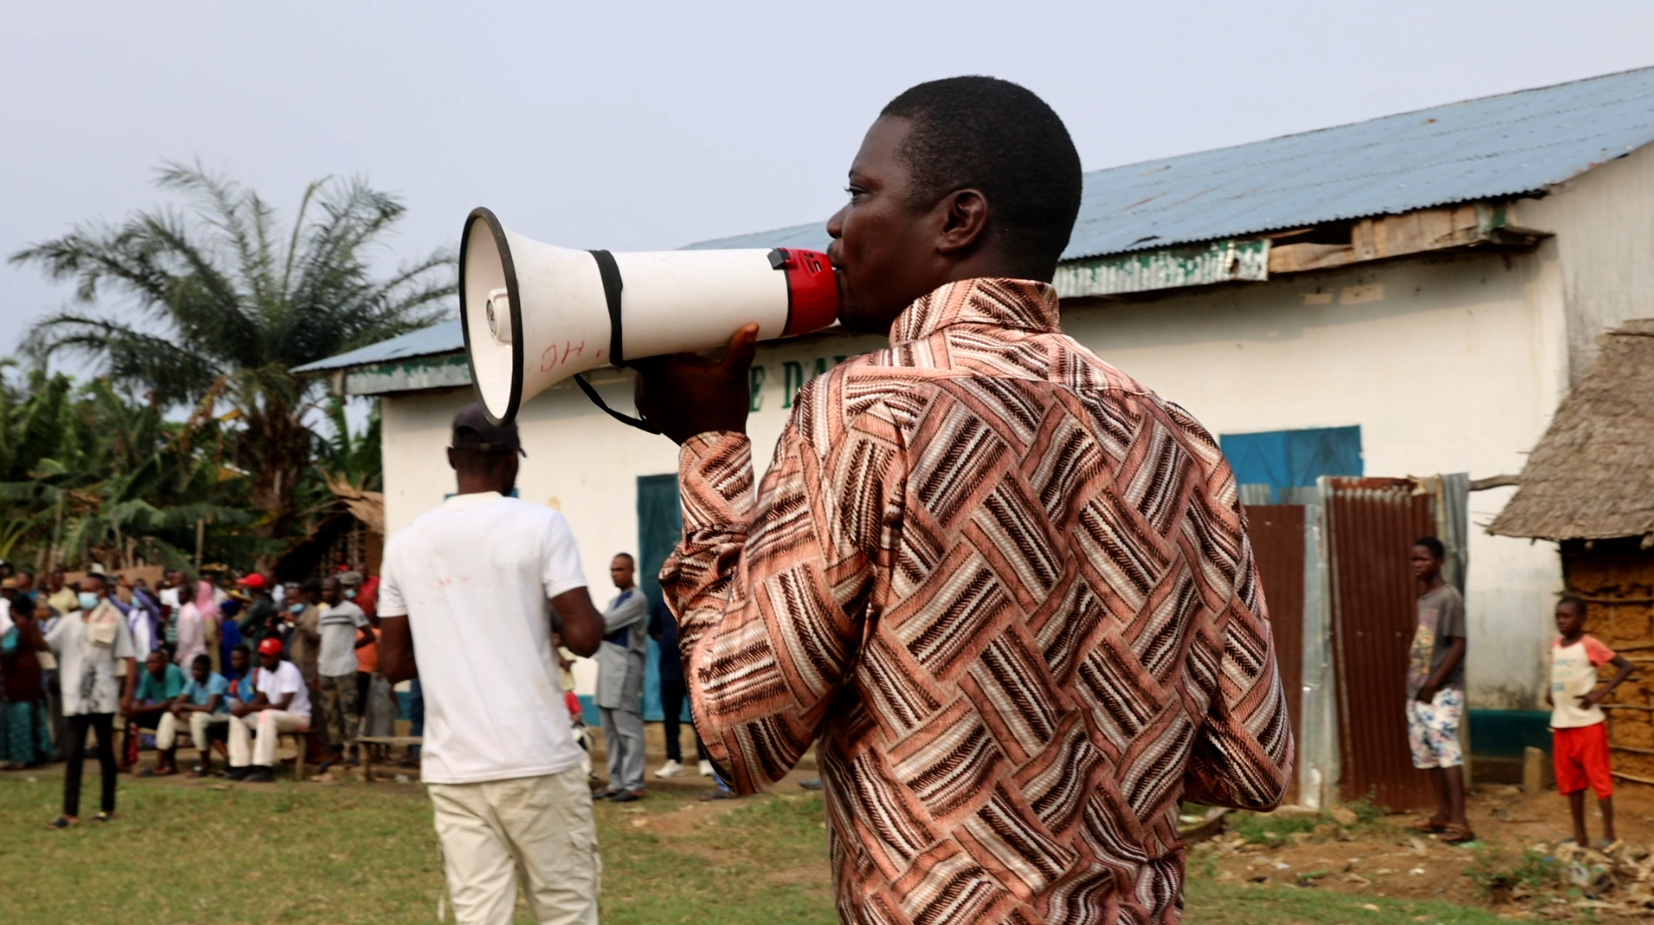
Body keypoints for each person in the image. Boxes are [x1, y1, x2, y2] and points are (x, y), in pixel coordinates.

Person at [634, 76, 1292, 921]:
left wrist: (710, 446)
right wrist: (1090, 751)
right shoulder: (1178, 436)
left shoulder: (868, 410)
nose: (835, 224)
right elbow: (1251, 762)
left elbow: (741, 731)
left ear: (958, 219)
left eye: (860, 192)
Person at [378, 404, 606, 925]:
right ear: (511, 462)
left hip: (454, 767)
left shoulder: (405, 546)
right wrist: (538, 616)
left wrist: (452, 642)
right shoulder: (541, 525)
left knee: (479, 916)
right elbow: (586, 638)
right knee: (567, 910)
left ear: (450, 458)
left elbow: (392, 664)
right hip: (536, 758)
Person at [40, 572, 136, 827]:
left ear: (102, 593)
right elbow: (48, 645)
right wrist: (31, 624)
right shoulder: (69, 621)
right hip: (75, 698)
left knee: (105, 753)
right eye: (81, 590)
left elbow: (129, 656)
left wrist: (127, 694)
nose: (83, 595)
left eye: (89, 590)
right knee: (73, 754)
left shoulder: (114, 619)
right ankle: (69, 812)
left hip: (102, 697)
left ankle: (107, 807)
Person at [1548, 595, 1634, 847]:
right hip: (1562, 724)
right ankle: (1580, 835)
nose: (1561, 621)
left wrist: (1599, 694)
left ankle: (1609, 834)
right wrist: (1549, 691)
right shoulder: (1555, 646)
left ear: (1582, 619)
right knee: (1572, 783)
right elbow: (1557, 674)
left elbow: (1626, 667)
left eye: (1567, 616)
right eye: (1558, 617)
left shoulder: (1590, 645)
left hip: (1588, 725)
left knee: (1599, 779)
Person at [1406, 536, 1474, 844]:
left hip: (1442, 691)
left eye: (1423, 559)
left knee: (1447, 752)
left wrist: (1434, 683)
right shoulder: (1424, 599)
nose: (1417, 565)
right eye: (1414, 559)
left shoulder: (1450, 597)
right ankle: (1443, 814)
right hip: (1418, 691)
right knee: (1429, 755)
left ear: (1440, 562)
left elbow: (1459, 644)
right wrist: (1418, 684)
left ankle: (1461, 821)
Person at [595, 553, 648, 802]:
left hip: (624, 669)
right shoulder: (614, 601)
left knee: (628, 729)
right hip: (607, 669)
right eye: (612, 570)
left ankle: (634, 783)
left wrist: (589, 624)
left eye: (620, 569)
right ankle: (615, 783)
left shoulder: (636, 600)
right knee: (610, 731)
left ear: (631, 570)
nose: (615, 574)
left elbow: (604, 625)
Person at [227, 637, 312, 782]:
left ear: (278, 656)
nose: (263, 659)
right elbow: (259, 700)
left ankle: (263, 768)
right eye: (261, 655)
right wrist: (244, 710)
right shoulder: (264, 672)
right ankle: (240, 766)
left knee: (266, 715)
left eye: (267, 656)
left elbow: (283, 705)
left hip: (298, 717)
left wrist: (248, 708)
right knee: (237, 718)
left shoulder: (289, 670)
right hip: (275, 717)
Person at [648, 595, 707, 779]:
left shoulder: (697, 601)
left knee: (699, 717)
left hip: (693, 671)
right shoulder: (661, 604)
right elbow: (654, 631)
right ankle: (674, 761)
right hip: (669, 670)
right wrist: (670, 643)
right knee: (671, 719)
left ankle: (705, 759)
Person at [317, 575, 373, 763]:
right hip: (325, 668)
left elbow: (369, 635)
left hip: (345, 668)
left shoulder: (352, 610)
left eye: (329, 590)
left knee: (349, 709)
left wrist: (351, 647)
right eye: (323, 590)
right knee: (330, 711)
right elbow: (322, 639)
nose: (325, 593)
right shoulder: (323, 613)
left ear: (339, 590)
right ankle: (336, 751)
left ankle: (353, 750)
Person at [155, 653, 230, 777]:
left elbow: (210, 708)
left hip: (222, 717)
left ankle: (206, 766)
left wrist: (184, 706)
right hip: (202, 719)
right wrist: (182, 714)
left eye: (199, 670)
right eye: (194, 669)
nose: (195, 673)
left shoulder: (216, 680)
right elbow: (175, 705)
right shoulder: (193, 681)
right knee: (168, 717)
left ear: (208, 670)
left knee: (196, 717)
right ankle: (159, 764)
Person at [1, 594, 52, 769]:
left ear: (14, 611)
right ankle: (37, 753)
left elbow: (7, 650)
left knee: (18, 718)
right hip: (32, 673)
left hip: (17, 676)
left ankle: (21, 758)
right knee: (34, 711)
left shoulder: (16, 629)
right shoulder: (32, 626)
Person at [129, 649, 187, 775]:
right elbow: (139, 700)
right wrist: (134, 710)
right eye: (148, 663)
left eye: (154, 662)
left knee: (167, 718)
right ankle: (126, 760)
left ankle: (168, 764)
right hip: (161, 712)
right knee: (130, 718)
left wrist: (141, 709)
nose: (150, 666)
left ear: (164, 662)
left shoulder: (172, 671)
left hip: (181, 713)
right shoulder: (147, 674)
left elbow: (171, 702)